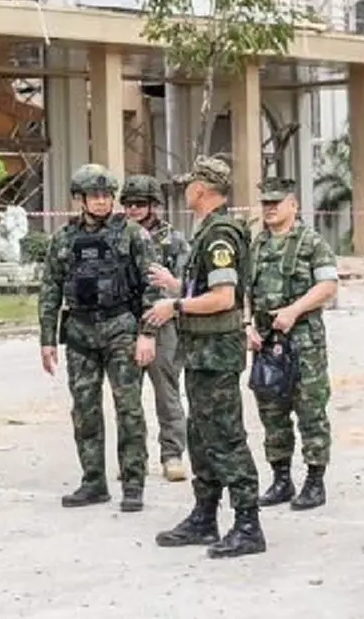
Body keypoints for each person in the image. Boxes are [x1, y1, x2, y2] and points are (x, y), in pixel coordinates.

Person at [149, 155, 266, 559]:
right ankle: (204, 516)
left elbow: (223, 298)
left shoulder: (219, 237)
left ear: (200, 189)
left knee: (225, 436)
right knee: (200, 437)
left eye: (188, 185)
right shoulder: (208, 232)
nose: (185, 191)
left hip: (216, 354)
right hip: (201, 353)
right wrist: (177, 284)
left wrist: (176, 305)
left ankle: (248, 524)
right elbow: (207, 287)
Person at [39, 164, 160, 513]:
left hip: (121, 328)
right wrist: (47, 339)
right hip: (79, 333)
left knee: (129, 410)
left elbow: (151, 284)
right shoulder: (63, 238)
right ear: (80, 199)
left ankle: (133, 483)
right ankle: (93, 481)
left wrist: (147, 333)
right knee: (85, 411)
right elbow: (50, 289)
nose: (103, 202)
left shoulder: (132, 234)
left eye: (107, 195)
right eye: (95, 196)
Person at [246, 177, 339, 511]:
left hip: (304, 342)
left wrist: (294, 310)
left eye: (276, 203)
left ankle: (315, 481)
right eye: (265, 204)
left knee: (310, 410)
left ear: (293, 205)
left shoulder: (311, 243)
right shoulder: (257, 246)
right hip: (267, 342)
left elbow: (328, 284)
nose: (270, 209)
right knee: (272, 411)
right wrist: (247, 327)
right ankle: (281, 479)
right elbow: (245, 290)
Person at [118, 173, 190, 482]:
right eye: (129, 204)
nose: (133, 209)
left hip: (163, 325)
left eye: (140, 204)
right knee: (126, 395)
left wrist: (172, 288)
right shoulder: (117, 235)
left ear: (153, 206)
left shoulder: (172, 240)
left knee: (167, 392)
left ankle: (172, 454)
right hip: (125, 324)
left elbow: (189, 288)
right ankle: (133, 459)